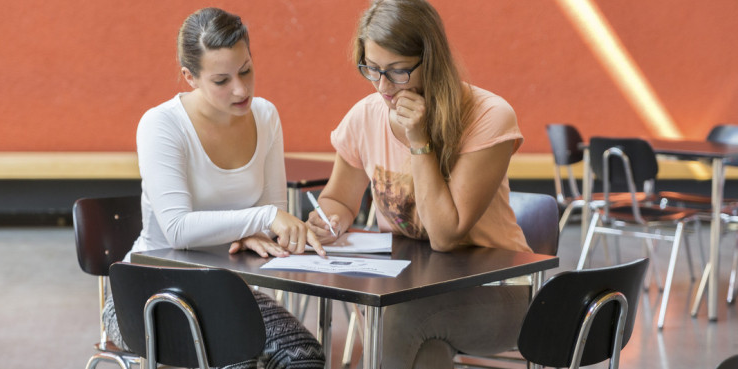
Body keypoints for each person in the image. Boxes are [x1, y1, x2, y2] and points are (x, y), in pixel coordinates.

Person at [306, 0, 532, 368]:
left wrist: (418, 140)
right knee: (413, 338)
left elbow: (444, 236)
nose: (382, 86)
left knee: (397, 317)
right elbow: (340, 200)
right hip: (407, 286)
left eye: (397, 72)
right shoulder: (365, 116)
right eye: (372, 69)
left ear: (431, 60)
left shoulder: (489, 117)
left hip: (499, 291)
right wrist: (328, 219)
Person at [103, 8, 326, 368]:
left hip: (225, 289)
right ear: (190, 77)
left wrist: (261, 224)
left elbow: (272, 219)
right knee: (236, 360)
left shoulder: (266, 116)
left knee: (305, 357)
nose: (240, 89)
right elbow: (178, 230)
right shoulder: (161, 125)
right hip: (149, 292)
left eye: (246, 71)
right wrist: (259, 219)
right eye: (221, 80)